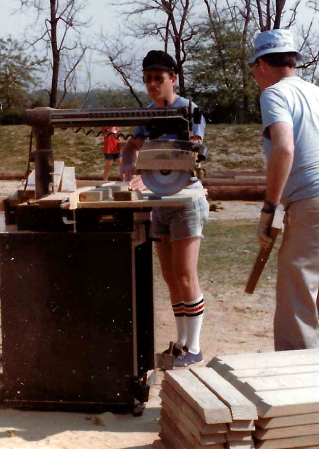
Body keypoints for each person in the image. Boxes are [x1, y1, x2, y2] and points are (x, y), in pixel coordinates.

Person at [249, 29, 319, 353]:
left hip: (315, 203)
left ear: (263, 64)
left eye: (254, 67)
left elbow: (284, 149)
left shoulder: (274, 94)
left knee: (298, 301)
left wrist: (269, 207)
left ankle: (300, 388)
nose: (254, 75)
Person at [121, 50, 209, 368]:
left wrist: (153, 172)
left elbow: (192, 151)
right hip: (160, 205)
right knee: (171, 276)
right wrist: (130, 170)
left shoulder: (190, 111)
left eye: (160, 78)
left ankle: (195, 347)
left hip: (186, 201)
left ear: (173, 78)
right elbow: (131, 147)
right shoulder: (147, 114)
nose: (153, 84)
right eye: (148, 79)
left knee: (186, 274)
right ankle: (182, 343)